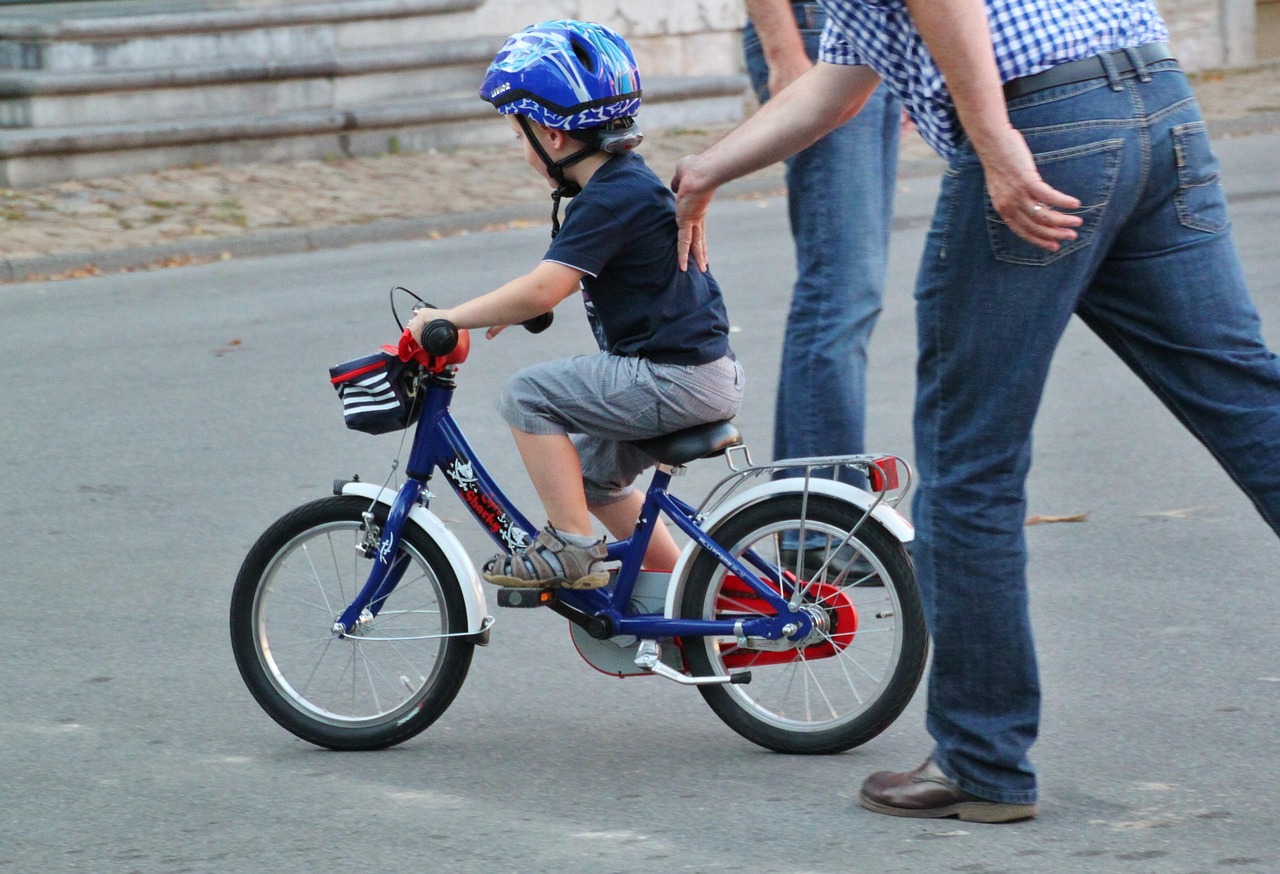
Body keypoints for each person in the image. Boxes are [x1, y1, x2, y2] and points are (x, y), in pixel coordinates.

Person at [672, 0, 1280, 823]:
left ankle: (982, 757)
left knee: (970, 462)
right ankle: (981, 752)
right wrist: (707, 169)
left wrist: (991, 139)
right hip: (1155, 102)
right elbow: (839, 90)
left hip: (1039, 122)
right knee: (1248, 403)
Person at [408, 19, 744, 591]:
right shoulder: (621, 187)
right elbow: (556, 284)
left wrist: (448, 317)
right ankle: (682, 591)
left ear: (552, 136)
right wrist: (513, 309)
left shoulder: (610, 199)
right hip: (697, 373)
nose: (523, 149)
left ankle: (569, 545)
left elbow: (545, 287)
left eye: (520, 135)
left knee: (527, 395)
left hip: (672, 377)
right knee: (590, 478)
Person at [743, 1, 899, 487]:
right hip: (815, 36)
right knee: (841, 293)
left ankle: (805, 517)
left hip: (873, 41)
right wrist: (783, 50)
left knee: (844, 295)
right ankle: (825, 517)